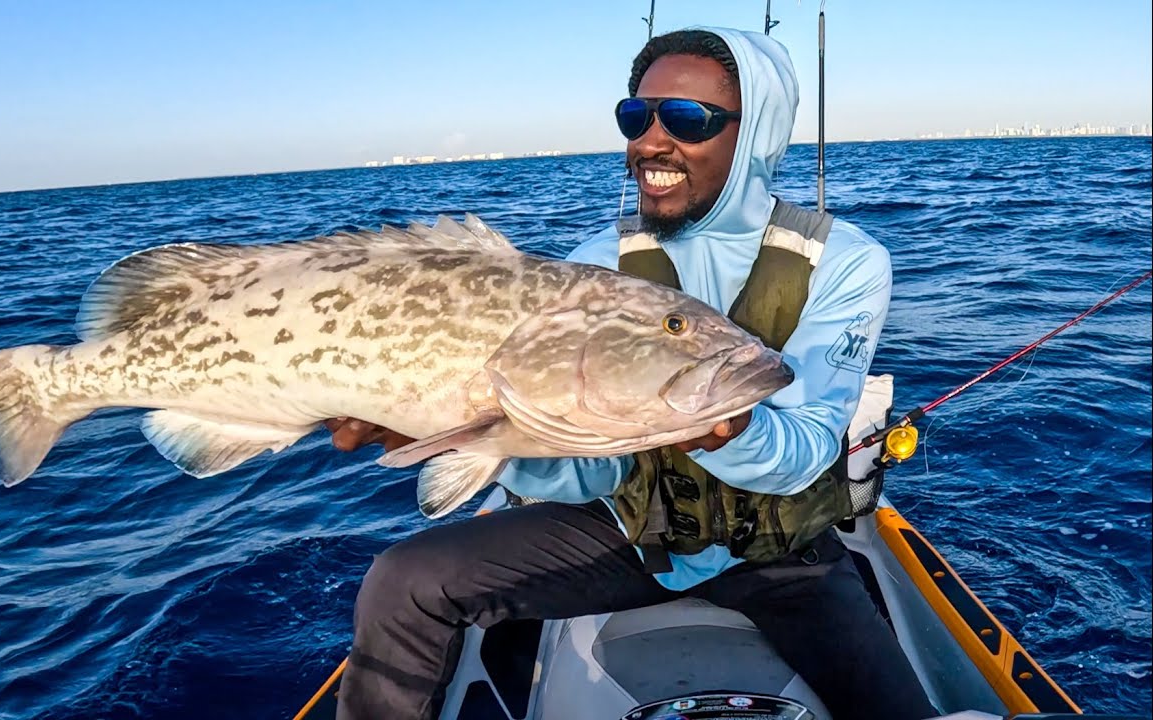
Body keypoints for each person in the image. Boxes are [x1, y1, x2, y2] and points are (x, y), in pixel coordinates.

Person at [325, 26, 938, 720]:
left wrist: (728, 428)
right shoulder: (594, 263)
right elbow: (585, 471)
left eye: (685, 119)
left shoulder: (847, 263)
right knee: (403, 581)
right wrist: (473, 436)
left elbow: (807, 449)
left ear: (756, 134)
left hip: (782, 554)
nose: (650, 140)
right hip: (628, 536)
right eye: (635, 117)